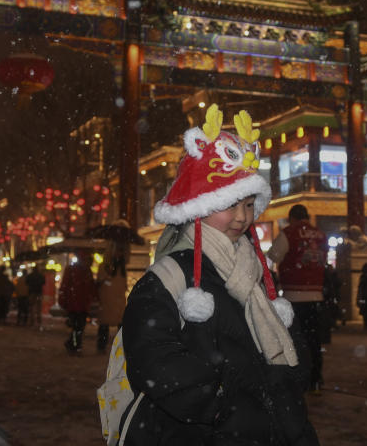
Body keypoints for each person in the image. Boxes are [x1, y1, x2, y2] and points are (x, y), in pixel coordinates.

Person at [119, 104, 318, 444]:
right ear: (201, 206)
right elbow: (154, 360)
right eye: (230, 204)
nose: (242, 217)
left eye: (248, 204)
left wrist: (287, 389)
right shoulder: (168, 277)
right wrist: (223, 403)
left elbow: (292, 350)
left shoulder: (258, 272)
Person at [267, 204, 328, 392]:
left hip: (294, 295)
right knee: (314, 341)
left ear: (292, 218)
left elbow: (271, 258)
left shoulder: (290, 233)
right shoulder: (320, 234)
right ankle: (316, 379)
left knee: (294, 340)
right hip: (316, 295)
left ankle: (299, 378)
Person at [58, 248, 96, 355]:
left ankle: (73, 344)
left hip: (77, 304)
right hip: (78, 304)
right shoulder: (80, 271)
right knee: (78, 327)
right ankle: (75, 345)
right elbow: (90, 288)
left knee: (77, 327)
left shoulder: (74, 270)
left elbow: (65, 286)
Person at [96, 244, 127, 353]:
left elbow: (123, 284)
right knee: (105, 324)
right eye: (117, 251)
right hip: (107, 300)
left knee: (120, 325)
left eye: (121, 252)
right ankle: (102, 346)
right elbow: (100, 282)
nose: (119, 254)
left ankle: (121, 347)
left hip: (118, 301)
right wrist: (106, 277)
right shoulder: (105, 266)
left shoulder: (122, 268)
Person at [25, 264, 46, 329]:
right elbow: (44, 282)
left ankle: (32, 320)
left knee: (32, 307)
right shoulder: (41, 275)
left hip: (32, 292)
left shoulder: (30, 276)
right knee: (38, 307)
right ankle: (39, 320)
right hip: (38, 292)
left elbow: (26, 282)